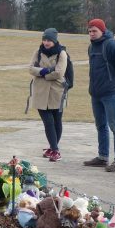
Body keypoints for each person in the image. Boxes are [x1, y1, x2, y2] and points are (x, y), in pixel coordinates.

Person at [83, 18, 115, 171]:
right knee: (101, 126)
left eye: (94, 31)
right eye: (89, 31)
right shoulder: (91, 47)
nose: (91, 33)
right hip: (96, 93)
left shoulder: (112, 45)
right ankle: (103, 157)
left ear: (102, 31)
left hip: (111, 93)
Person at [27, 28, 68, 162]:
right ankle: (55, 149)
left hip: (56, 92)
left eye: (49, 40)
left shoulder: (62, 53)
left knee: (57, 120)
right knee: (48, 122)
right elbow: (31, 68)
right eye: (44, 39)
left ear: (54, 41)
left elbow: (59, 73)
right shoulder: (38, 52)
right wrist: (45, 70)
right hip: (40, 92)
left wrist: (42, 74)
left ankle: (54, 149)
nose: (46, 42)